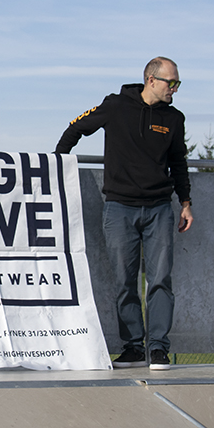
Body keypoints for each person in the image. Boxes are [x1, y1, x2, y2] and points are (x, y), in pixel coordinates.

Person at [54, 56, 193, 371]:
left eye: (178, 83)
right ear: (150, 80)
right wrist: (55, 165)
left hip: (160, 209)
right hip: (119, 208)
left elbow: (179, 162)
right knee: (124, 281)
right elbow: (76, 127)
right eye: (171, 82)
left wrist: (185, 202)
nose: (175, 88)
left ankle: (157, 348)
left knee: (160, 280)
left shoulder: (175, 118)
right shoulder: (116, 106)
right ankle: (132, 348)